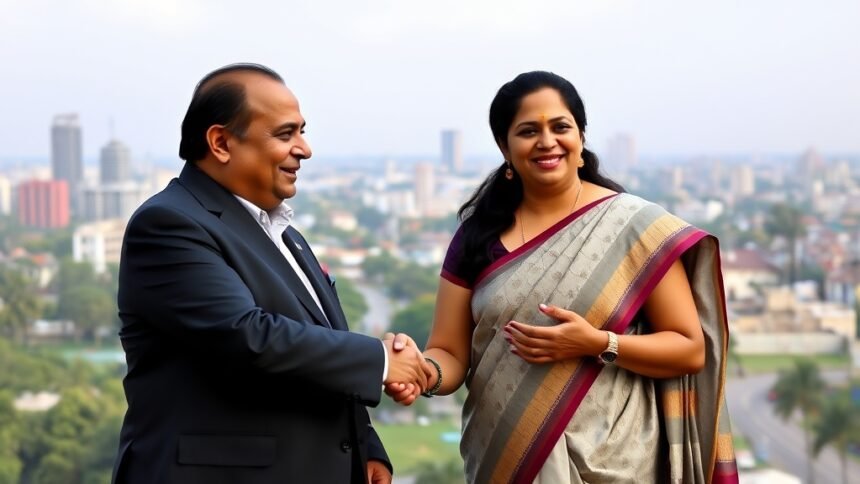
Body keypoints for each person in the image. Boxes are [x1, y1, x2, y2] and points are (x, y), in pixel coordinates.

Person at [386, 71, 739, 483]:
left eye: (560, 127)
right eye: (528, 131)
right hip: (506, 458)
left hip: (620, 462)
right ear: (505, 146)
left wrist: (597, 343)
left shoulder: (632, 228)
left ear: (581, 136)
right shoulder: (476, 236)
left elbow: (689, 350)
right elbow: (449, 352)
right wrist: (424, 372)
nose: (547, 141)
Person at [112, 63, 431, 484]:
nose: (305, 149)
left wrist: (366, 447)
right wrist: (381, 361)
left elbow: (318, 344)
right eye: (286, 134)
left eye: (302, 131)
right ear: (221, 142)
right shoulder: (169, 224)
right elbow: (248, 337)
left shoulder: (285, 234)